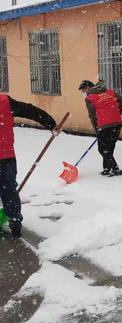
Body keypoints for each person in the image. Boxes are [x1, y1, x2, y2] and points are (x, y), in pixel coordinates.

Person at [0, 95, 57, 238]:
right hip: (5, 157)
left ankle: (14, 224)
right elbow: (30, 111)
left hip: (5, 157)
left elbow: (29, 110)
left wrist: (50, 123)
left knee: (9, 191)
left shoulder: (4, 102)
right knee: (9, 191)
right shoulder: (4, 102)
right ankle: (15, 224)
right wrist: (50, 123)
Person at [78, 80, 122, 176]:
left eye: (83, 91)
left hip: (104, 125)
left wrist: (97, 129)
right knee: (110, 147)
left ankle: (115, 169)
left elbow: (92, 115)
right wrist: (116, 113)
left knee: (102, 149)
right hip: (116, 123)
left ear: (88, 88)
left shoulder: (90, 98)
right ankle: (106, 169)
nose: (84, 93)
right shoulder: (110, 92)